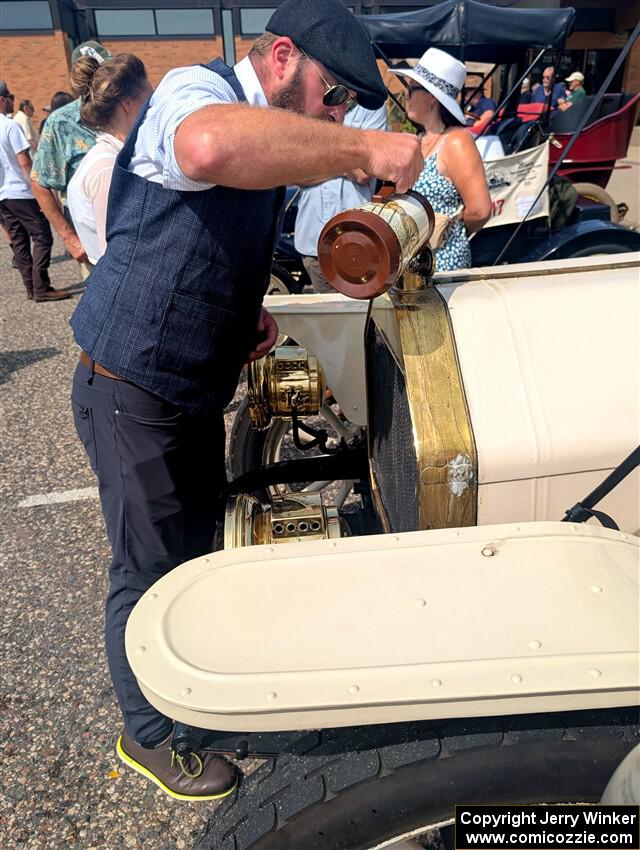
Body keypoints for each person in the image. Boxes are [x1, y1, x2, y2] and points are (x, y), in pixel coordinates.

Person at [69, 0, 422, 803]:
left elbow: (203, 223)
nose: (336, 116)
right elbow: (206, 147)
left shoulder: (264, 126)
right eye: (334, 97)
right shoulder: (196, 90)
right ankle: (148, 737)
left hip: (182, 383)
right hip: (131, 384)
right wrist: (361, 146)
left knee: (192, 551)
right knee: (147, 565)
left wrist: (241, 307)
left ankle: (189, 699)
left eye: (348, 112)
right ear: (284, 58)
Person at [390, 48, 491, 271]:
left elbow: (480, 211)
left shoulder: (456, 142)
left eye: (412, 88)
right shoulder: (419, 139)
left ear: (432, 97)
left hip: (442, 263)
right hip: (410, 265)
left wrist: (446, 227)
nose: (406, 95)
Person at [31, 42, 111, 270]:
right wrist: (69, 238)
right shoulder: (61, 123)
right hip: (93, 242)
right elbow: (40, 182)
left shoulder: (125, 112)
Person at [294, 102, 388, 292]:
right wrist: (347, 162)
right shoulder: (308, 100)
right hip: (314, 242)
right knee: (329, 317)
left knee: (360, 316)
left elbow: (364, 173)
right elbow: (294, 171)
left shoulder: (372, 108)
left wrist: (319, 156)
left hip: (358, 241)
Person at [67, 54, 152, 265]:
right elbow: (117, 253)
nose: (153, 108)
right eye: (149, 100)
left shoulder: (110, 157)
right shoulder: (106, 168)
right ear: (127, 104)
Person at [0, 82, 69, 301]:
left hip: (2, 195)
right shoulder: (9, 126)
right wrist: (39, 190)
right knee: (42, 236)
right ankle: (41, 287)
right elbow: (24, 163)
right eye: (10, 96)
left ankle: (31, 288)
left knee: (19, 240)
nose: (13, 99)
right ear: (2, 100)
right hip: (21, 191)